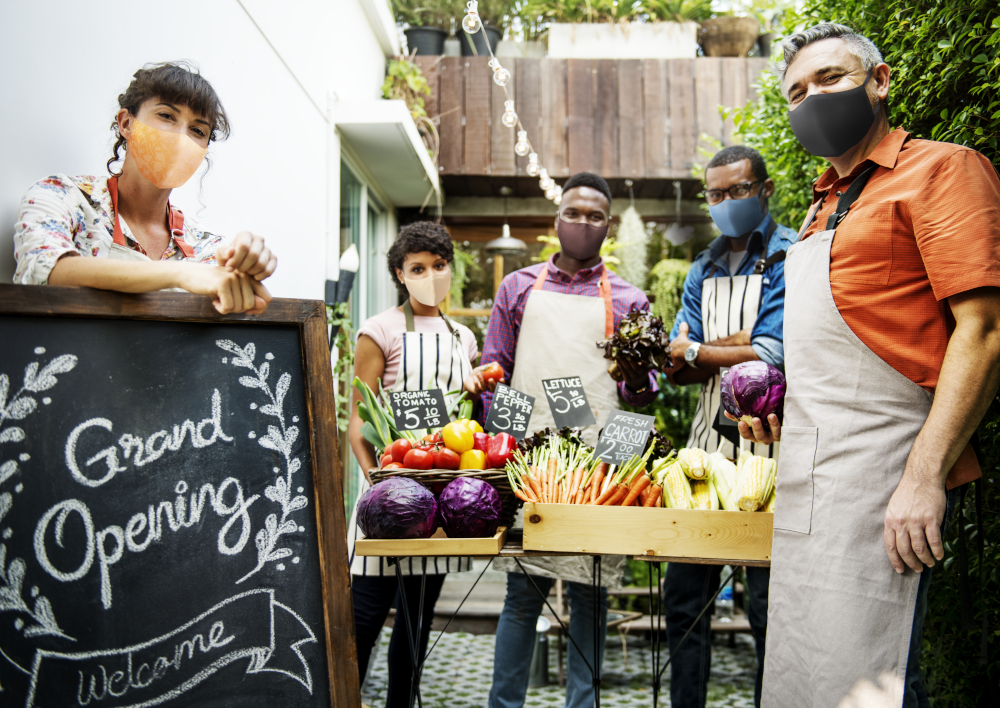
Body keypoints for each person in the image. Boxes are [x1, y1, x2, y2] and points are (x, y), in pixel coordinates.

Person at [733, 24, 1000, 708]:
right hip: (808, 484)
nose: (811, 98)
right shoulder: (821, 206)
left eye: (830, 79)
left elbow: (985, 330)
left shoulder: (944, 170)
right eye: (796, 91)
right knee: (805, 678)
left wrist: (922, 479)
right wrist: (780, 414)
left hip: (884, 483)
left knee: (866, 687)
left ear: (879, 82)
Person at [480, 172, 656, 708]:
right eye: (574, 213)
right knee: (521, 594)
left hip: (605, 451)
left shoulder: (630, 298)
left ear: (608, 225)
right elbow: (496, 372)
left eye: (595, 216)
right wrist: (504, 452)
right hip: (534, 455)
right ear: (558, 219)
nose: (583, 223)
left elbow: (642, 397)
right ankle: (504, 704)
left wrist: (635, 373)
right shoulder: (518, 287)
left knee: (592, 594)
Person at [346, 221, 502, 708]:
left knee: (415, 625)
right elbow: (357, 418)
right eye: (418, 268)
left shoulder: (464, 337)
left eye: (438, 266)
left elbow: (461, 425)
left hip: (437, 505)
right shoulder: (379, 330)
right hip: (387, 498)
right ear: (399, 273)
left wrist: (475, 391)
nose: (430, 276)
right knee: (364, 617)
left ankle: (401, 702)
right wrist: (377, 485)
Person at [663, 145, 796, 708]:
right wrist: (721, 350)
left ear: (763, 190)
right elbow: (677, 367)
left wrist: (698, 347)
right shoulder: (703, 265)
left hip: (771, 452)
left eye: (737, 191)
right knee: (684, 600)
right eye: (715, 194)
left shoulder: (794, 255)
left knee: (769, 606)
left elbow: (773, 352)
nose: (725, 203)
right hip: (703, 450)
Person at [13, 62, 276, 313]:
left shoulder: (204, 248)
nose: (182, 137)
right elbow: (44, 269)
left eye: (197, 130)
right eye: (166, 115)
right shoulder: (63, 196)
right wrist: (180, 274)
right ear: (127, 123)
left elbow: (232, 294)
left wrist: (244, 266)